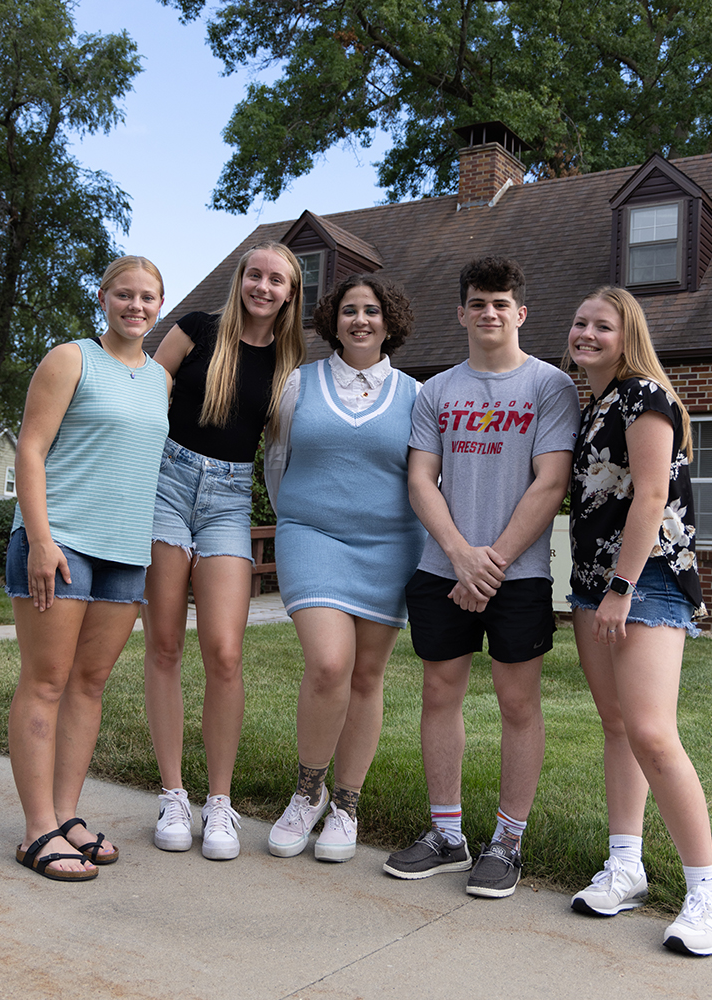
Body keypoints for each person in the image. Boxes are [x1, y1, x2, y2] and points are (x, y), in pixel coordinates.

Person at [383, 256, 580, 897]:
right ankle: (446, 834)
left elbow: (550, 483)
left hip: (517, 576)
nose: (489, 312)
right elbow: (421, 479)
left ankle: (507, 843)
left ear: (520, 313)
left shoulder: (551, 388)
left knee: (517, 704)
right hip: (442, 567)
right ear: (462, 312)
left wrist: (489, 562)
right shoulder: (435, 391)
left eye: (501, 303)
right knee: (440, 695)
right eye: (478, 302)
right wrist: (460, 555)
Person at [564, 286, 712, 956]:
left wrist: (623, 587)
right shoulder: (594, 406)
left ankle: (706, 893)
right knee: (618, 727)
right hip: (593, 585)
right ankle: (626, 866)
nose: (587, 333)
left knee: (653, 734)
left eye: (602, 325)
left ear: (627, 335)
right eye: (579, 323)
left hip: (645, 580)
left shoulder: (643, 395)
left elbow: (654, 493)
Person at [6, 256, 171, 881]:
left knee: (89, 685)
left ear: (161, 304)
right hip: (62, 543)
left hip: (126, 554)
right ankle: (35, 830)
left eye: (147, 297)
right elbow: (30, 448)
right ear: (103, 298)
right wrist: (41, 540)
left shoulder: (159, 380)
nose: (136, 306)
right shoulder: (70, 358)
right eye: (124, 295)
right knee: (46, 681)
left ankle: (67, 817)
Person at [143, 241, 305, 860]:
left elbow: (295, 446)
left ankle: (219, 804)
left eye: (277, 280)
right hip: (166, 482)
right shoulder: (194, 330)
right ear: (241, 279)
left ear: (291, 294)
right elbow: (144, 400)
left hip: (231, 497)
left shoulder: (291, 360)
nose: (263, 287)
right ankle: (173, 795)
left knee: (225, 650)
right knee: (163, 642)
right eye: (255, 275)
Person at [263, 274, 426, 862]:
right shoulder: (296, 384)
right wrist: (300, 522)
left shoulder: (415, 395)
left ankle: (346, 805)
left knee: (367, 676)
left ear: (390, 322)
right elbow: (276, 463)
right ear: (333, 320)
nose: (362, 320)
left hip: (390, 545)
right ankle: (307, 792)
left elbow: (424, 480)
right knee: (330, 664)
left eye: (373, 311)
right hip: (312, 536)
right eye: (350, 311)